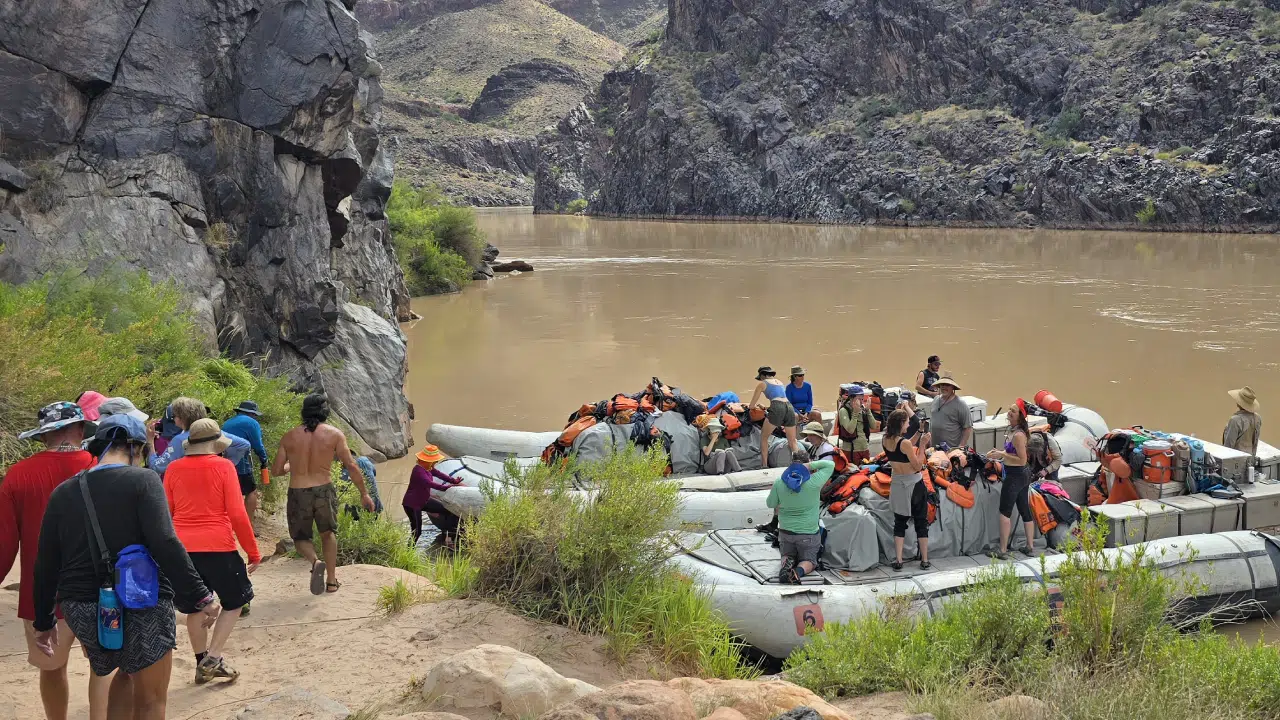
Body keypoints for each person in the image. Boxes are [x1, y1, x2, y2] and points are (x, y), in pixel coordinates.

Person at [32, 415, 220, 720]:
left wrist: (43, 622)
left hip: (82, 609)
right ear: (135, 448)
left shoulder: (63, 492)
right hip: (140, 601)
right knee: (152, 700)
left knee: (122, 673)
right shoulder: (143, 480)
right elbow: (165, 542)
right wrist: (201, 596)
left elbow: (46, 563)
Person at [1, 402, 99, 720]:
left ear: (43, 437)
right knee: (105, 664)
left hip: (41, 596)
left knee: (52, 668)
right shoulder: (101, 467)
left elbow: (4, 544)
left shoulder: (17, 476)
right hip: (100, 590)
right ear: (82, 430)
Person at [163, 419, 261, 685]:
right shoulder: (224, 467)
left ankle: (200, 662)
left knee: (195, 606)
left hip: (182, 549)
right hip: (218, 546)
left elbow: (166, 513)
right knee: (236, 601)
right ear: (215, 444)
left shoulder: (173, 468)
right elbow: (238, 514)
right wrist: (252, 551)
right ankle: (213, 658)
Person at [270, 394, 373, 594]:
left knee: (300, 538)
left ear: (304, 412)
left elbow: (276, 471)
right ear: (325, 412)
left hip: (298, 491)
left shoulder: (289, 436)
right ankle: (332, 582)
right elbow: (351, 465)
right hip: (324, 489)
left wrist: (291, 466)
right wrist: (364, 493)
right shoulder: (335, 434)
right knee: (328, 534)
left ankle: (315, 561)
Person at [766, 449, 834, 583]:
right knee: (809, 561)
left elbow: (770, 503)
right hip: (808, 534)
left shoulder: (780, 482)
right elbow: (830, 465)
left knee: (787, 554)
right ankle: (798, 572)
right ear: (807, 463)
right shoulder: (814, 482)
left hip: (785, 533)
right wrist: (809, 466)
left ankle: (787, 561)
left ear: (791, 463)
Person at [148, 397, 251, 477]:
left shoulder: (179, 440)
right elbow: (244, 445)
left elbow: (157, 467)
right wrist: (227, 463)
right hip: (213, 482)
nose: (173, 418)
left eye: (174, 416)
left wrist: (150, 442)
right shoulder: (216, 433)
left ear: (182, 418)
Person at [987, 401, 1035, 559]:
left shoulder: (1019, 435)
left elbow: (1021, 459)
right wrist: (1001, 452)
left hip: (1016, 474)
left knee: (1004, 511)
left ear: (1020, 417)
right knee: (1024, 509)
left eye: (1013, 411)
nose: (1009, 412)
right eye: (1009, 410)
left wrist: (1001, 455)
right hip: (1022, 474)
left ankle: (1002, 550)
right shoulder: (1015, 431)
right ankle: (1029, 546)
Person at [882, 408, 929, 571]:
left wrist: (920, 432)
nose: (909, 425)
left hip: (897, 484)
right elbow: (918, 465)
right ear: (901, 423)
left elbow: (906, 446)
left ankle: (899, 560)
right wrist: (923, 445)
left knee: (899, 523)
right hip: (914, 485)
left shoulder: (885, 440)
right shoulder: (906, 444)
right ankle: (924, 559)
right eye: (907, 422)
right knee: (921, 521)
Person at [221, 401, 270, 528]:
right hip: (241, 462)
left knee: (229, 492)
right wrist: (264, 459)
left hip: (224, 461)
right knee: (251, 491)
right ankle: (247, 525)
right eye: (254, 415)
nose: (255, 417)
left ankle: (227, 523)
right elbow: (258, 445)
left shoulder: (228, 422)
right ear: (250, 413)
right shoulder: (251, 423)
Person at [403, 444, 462, 546]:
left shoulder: (429, 468)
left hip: (423, 501)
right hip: (412, 504)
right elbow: (430, 484)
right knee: (417, 531)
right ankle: (409, 551)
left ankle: (447, 536)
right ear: (426, 460)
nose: (435, 463)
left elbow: (439, 474)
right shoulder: (418, 471)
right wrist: (448, 487)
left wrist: (454, 481)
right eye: (434, 461)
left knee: (447, 510)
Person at [749, 366, 798, 467]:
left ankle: (764, 465)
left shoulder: (762, 383)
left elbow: (751, 406)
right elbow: (780, 400)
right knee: (792, 441)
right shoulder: (779, 382)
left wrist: (756, 406)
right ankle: (799, 464)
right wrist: (767, 407)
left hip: (777, 407)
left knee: (763, 437)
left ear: (762, 375)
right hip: (789, 407)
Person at [837, 385, 878, 464]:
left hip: (864, 447)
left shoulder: (862, 409)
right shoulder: (844, 411)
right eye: (858, 399)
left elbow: (874, 426)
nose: (861, 402)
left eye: (862, 399)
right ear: (851, 398)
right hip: (851, 449)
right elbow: (850, 430)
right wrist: (855, 413)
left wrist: (868, 410)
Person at [928, 377, 972, 450]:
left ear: (953, 388)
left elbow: (967, 428)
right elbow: (932, 421)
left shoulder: (961, 404)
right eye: (942, 385)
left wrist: (960, 447)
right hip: (934, 447)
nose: (944, 387)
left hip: (952, 448)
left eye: (947, 385)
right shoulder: (935, 399)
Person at [1223, 386, 1262, 456]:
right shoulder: (1257, 418)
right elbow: (1255, 442)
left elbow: (1228, 446)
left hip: (1236, 459)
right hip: (1250, 458)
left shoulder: (1235, 420)